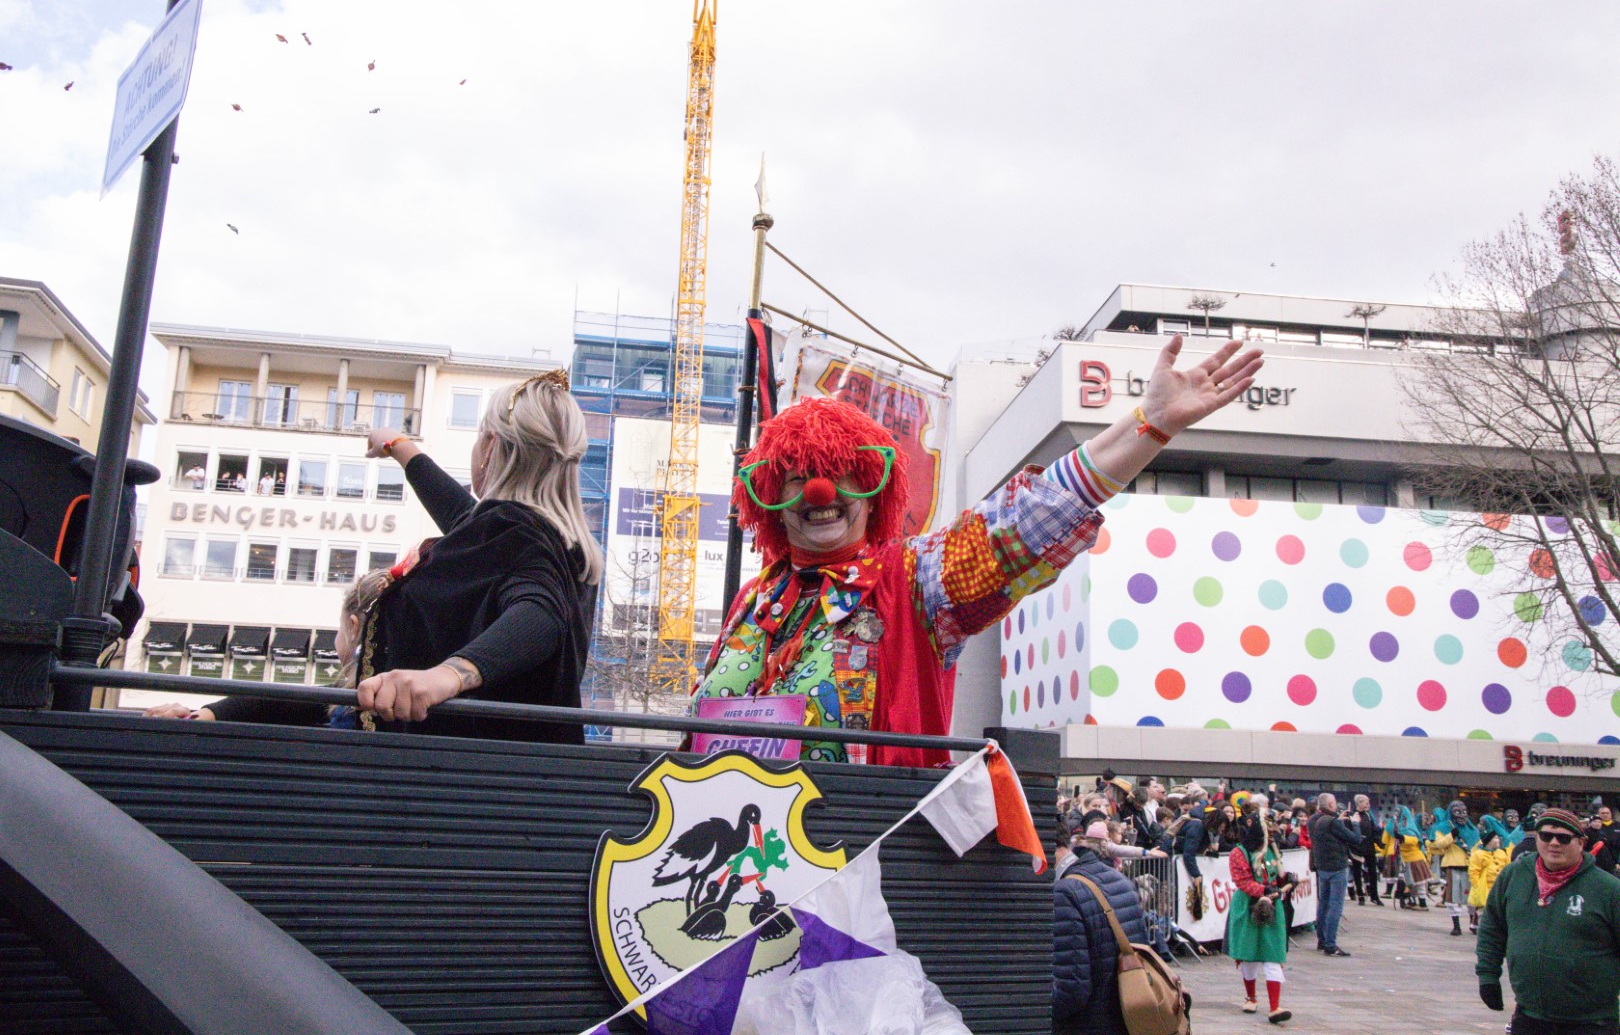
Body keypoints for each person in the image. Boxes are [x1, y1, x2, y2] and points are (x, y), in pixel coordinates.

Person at [691, 337, 1264, 766]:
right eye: (797, 478)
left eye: (843, 474)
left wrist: (1149, 425)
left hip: (857, 860)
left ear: (872, 491)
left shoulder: (914, 579)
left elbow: (1025, 523)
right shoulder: (754, 601)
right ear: (771, 498)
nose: (820, 494)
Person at [153, 371, 601, 741]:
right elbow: (461, 516)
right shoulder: (553, 545)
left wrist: (447, 676)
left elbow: (541, 615)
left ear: (490, 445)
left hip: (455, 790)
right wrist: (399, 447)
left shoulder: (517, 538)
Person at [145, 570, 391, 724]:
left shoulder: (344, 703)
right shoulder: (400, 700)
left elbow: (267, 704)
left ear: (353, 627)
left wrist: (198, 716)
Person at [1476, 807, 1620, 1034]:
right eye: (1546, 836)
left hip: (1592, 1020)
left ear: (1581, 843)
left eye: (1563, 838)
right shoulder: (1514, 876)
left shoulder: (1607, 889)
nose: (1554, 843)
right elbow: (1492, 928)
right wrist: (1488, 976)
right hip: (1530, 1015)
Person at [1053, 823, 1153, 1035]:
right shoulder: (1119, 878)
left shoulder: (1063, 892)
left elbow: (1070, 991)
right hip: (1128, 1019)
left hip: (1089, 1024)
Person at [1225, 807, 1294, 1024]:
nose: (1273, 835)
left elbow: (1273, 875)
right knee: (1249, 952)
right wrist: (1263, 890)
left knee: (1273, 952)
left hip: (1272, 906)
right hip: (1248, 905)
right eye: (1269, 831)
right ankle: (1251, 997)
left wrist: (1286, 880)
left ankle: (1275, 1007)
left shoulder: (1271, 850)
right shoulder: (1238, 853)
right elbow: (1242, 881)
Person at [1307, 792, 1359, 956]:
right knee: (1335, 905)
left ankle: (1322, 940)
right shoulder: (1332, 822)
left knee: (1323, 904)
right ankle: (1330, 944)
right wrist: (1355, 823)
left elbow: (1327, 833)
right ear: (1330, 805)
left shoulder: (1314, 820)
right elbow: (1355, 838)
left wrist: (1338, 820)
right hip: (1336, 866)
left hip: (1322, 866)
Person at [1432, 799, 1481, 936]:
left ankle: (1473, 923)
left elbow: (1478, 846)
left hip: (1470, 866)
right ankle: (1456, 925)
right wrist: (1452, 835)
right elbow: (1439, 844)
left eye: (1464, 812)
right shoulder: (1443, 827)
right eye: (1457, 812)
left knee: (1472, 896)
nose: (1461, 815)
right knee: (1453, 896)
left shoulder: (1472, 829)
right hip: (1452, 865)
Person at [1467, 833, 1507, 935]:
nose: (1498, 840)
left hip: (1500, 887)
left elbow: (1507, 868)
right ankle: (1484, 931)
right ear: (1489, 841)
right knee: (1483, 910)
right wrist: (1477, 886)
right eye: (1495, 838)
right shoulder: (1478, 854)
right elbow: (1473, 871)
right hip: (1484, 887)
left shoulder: (1502, 853)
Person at [1348, 794, 1383, 906]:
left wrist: (1379, 842)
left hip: (1369, 847)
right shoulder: (1352, 815)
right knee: (1357, 872)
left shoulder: (1368, 815)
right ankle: (1360, 895)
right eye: (1366, 803)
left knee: (1373, 872)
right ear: (1360, 803)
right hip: (1357, 847)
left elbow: (1373, 830)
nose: (1368, 805)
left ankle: (1374, 896)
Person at [1587, 805, 1619, 876]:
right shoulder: (1592, 830)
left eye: (1607, 813)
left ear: (1611, 813)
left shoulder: (1617, 825)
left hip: (1615, 857)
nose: (1605, 815)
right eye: (1603, 813)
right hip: (1600, 861)